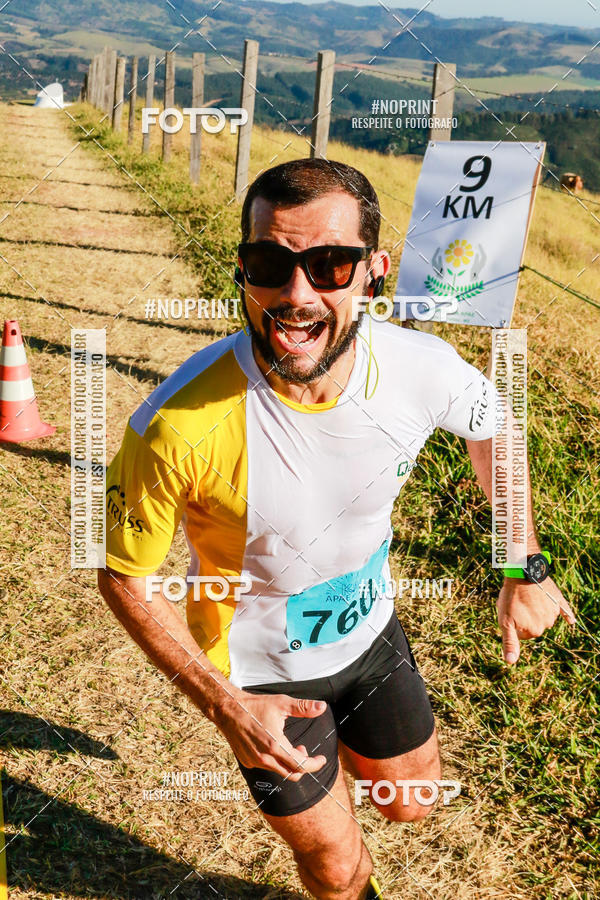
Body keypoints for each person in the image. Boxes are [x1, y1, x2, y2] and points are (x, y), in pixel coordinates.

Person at [98, 158, 575, 900]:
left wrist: (522, 563)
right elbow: (123, 576)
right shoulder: (175, 425)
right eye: (269, 264)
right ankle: (326, 818)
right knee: (337, 865)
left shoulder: (420, 368)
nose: (296, 296)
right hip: (261, 677)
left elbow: (495, 431)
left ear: (373, 273)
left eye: (330, 266)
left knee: (412, 805)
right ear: (242, 270)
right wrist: (225, 704)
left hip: (371, 636)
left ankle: (343, 768)